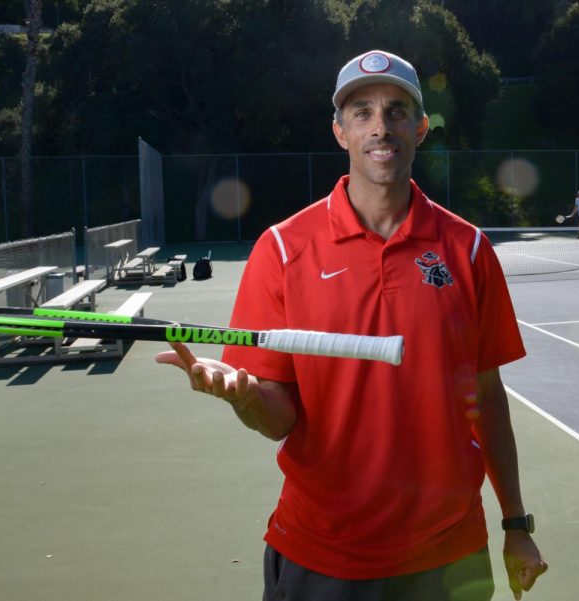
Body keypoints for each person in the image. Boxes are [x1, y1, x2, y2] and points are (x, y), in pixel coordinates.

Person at [156, 50, 547, 601]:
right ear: (340, 132)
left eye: (396, 110)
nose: (380, 127)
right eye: (361, 112)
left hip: (449, 557)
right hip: (322, 555)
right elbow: (277, 416)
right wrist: (244, 399)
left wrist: (515, 525)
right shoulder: (283, 249)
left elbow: (486, 396)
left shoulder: (470, 249)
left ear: (421, 127)